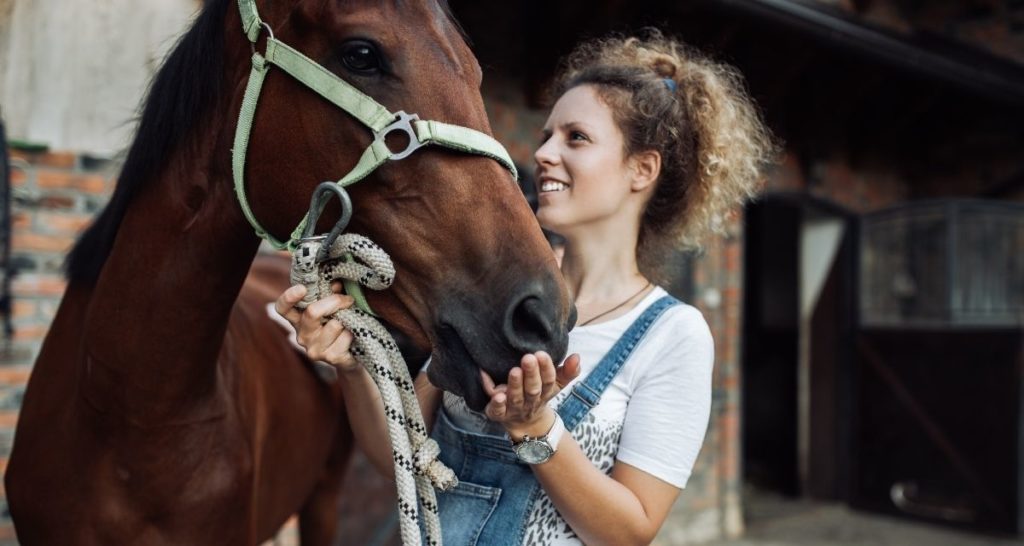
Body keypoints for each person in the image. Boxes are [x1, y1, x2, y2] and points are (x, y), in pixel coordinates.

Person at [275, 29, 775, 546]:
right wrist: (354, 367)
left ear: (642, 169)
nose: (544, 154)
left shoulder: (674, 335)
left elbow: (630, 531)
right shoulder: (493, 294)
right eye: (546, 136)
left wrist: (536, 427)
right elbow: (397, 457)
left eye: (575, 137)